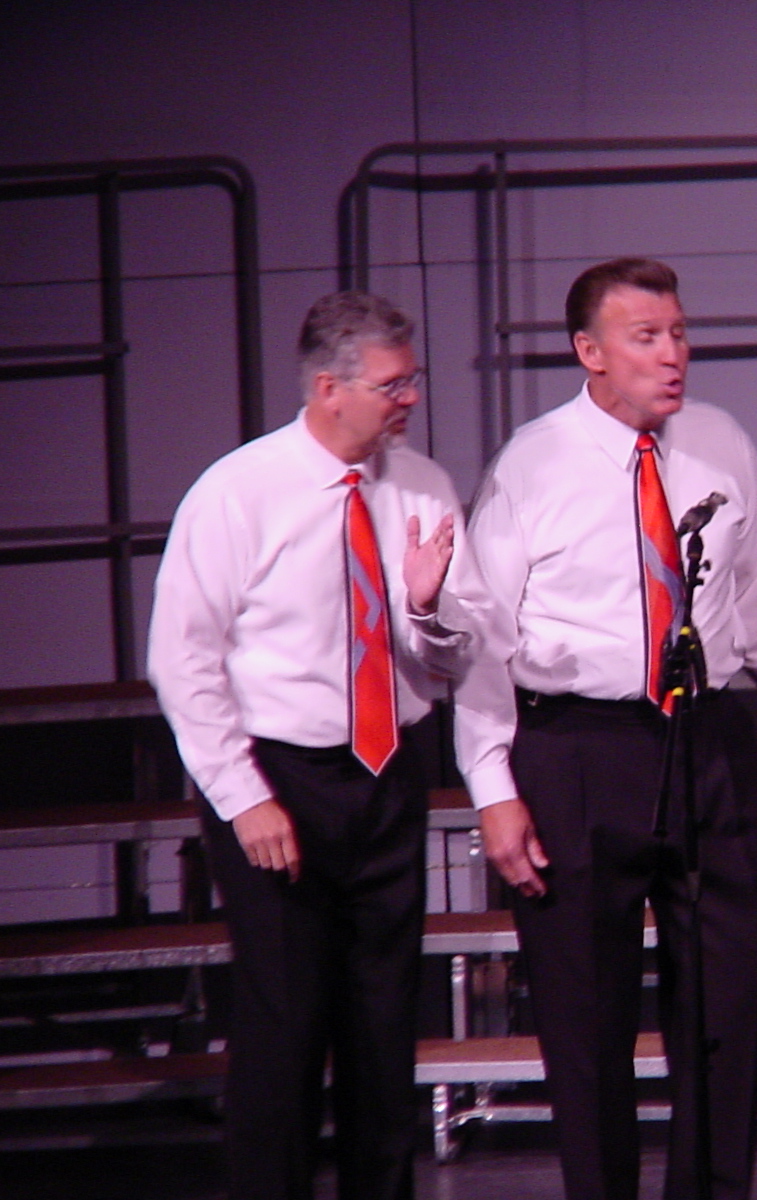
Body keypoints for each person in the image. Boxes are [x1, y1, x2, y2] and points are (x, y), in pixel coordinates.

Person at [453, 257, 757, 1200]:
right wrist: (493, 788)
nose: (674, 355)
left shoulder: (721, 442)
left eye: (679, 333)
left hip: (708, 739)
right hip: (576, 751)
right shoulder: (531, 465)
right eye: (646, 337)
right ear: (590, 352)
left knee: (726, 1007)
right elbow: (483, 642)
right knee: (587, 1020)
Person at [148, 291, 491, 1200]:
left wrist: (428, 606)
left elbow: (454, 655)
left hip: (387, 772)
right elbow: (181, 657)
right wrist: (243, 796)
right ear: (329, 388)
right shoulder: (239, 491)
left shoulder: (422, 485)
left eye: (413, 379)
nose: (410, 397)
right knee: (285, 1030)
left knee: (383, 1026)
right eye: (393, 384)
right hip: (279, 778)